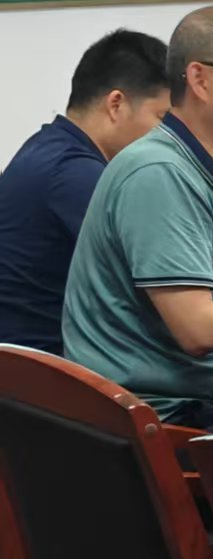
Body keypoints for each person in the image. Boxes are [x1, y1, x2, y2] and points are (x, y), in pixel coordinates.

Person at [62, 6, 213, 426]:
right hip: (163, 424)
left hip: (210, 398)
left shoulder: (206, 168)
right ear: (200, 79)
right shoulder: (159, 172)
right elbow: (200, 328)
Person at [0, 30, 171, 353]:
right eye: (162, 118)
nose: (167, 135)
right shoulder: (74, 174)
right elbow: (162, 271)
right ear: (116, 104)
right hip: (46, 366)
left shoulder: (49, 146)